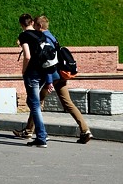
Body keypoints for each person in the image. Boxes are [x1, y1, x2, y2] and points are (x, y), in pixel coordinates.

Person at [13, 15, 93, 144]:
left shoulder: (44, 38)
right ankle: (85, 130)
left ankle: (30, 132)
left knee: (36, 102)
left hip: (51, 75)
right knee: (67, 103)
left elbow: (47, 61)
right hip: (61, 75)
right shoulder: (52, 36)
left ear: (38, 26)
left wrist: (49, 79)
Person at [16, 13, 49, 148]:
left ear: (21, 24)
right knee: (32, 102)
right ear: (31, 22)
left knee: (34, 104)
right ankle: (41, 134)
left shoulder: (24, 35)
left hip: (32, 73)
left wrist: (24, 70)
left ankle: (41, 136)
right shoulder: (40, 34)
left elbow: (27, 56)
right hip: (43, 72)